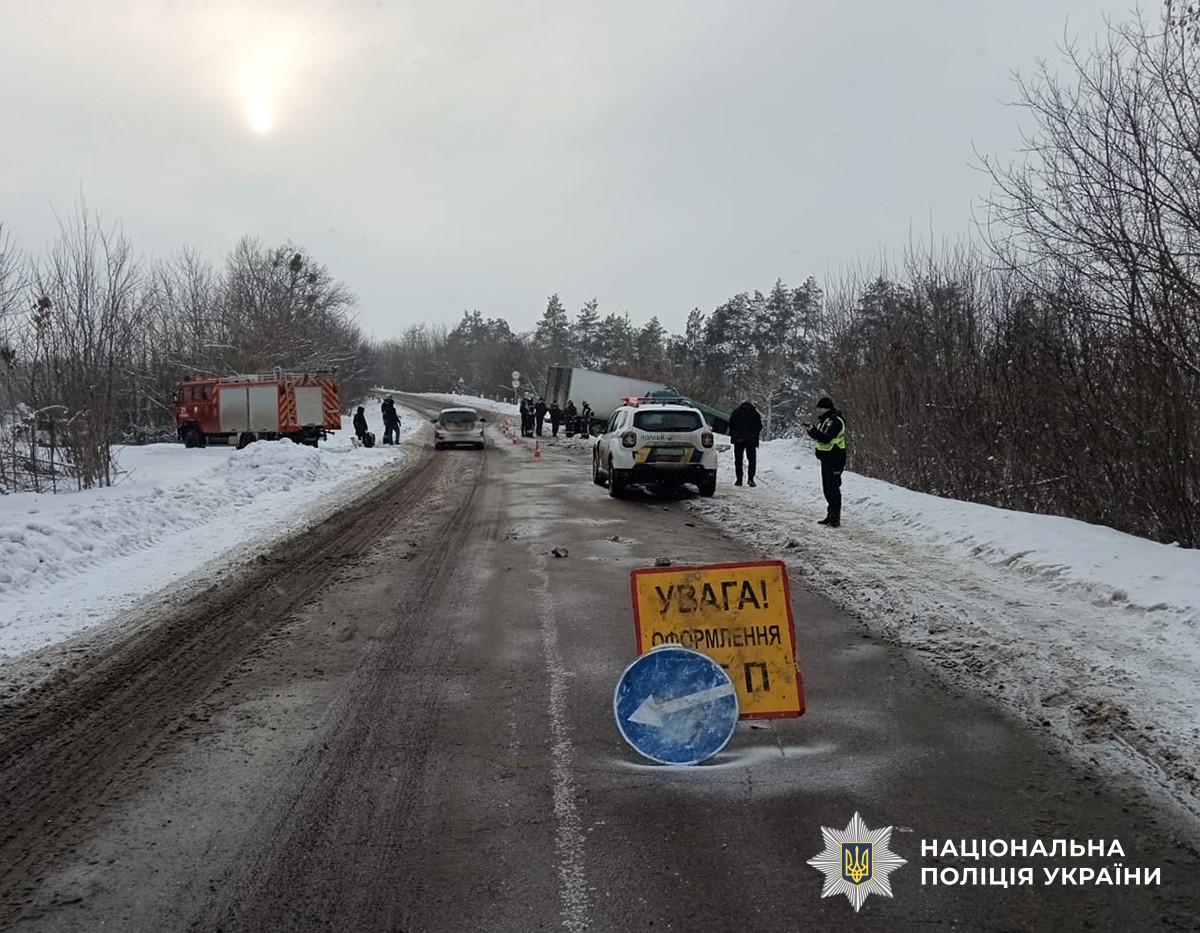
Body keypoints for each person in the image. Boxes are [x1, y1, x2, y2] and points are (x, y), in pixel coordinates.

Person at [803, 395, 847, 527]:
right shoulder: (825, 420)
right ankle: (830, 515)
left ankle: (835, 518)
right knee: (827, 489)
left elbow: (826, 438)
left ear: (826, 408)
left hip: (835, 457)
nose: (818, 410)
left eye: (820, 408)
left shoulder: (834, 421)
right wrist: (812, 431)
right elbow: (820, 437)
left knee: (833, 488)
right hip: (826, 458)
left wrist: (813, 431)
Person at [728, 400, 763, 487]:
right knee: (751, 460)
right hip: (751, 440)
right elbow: (759, 426)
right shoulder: (755, 414)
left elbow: (730, 424)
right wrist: (753, 433)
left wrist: (735, 433)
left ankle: (739, 480)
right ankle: (751, 479)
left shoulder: (736, 412)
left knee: (738, 460)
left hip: (738, 439)